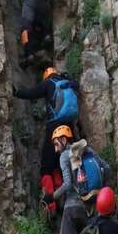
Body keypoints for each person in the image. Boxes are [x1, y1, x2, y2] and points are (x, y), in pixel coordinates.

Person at [13, 67, 80, 217]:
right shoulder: (67, 82)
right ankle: (66, 199)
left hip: (54, 130)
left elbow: (31, 93)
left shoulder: (47, 83)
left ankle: (51, 206)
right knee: (62, 165)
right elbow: (77, 85)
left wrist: (16, 92)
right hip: (69, 129)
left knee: (46, 168)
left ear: (46, 76)